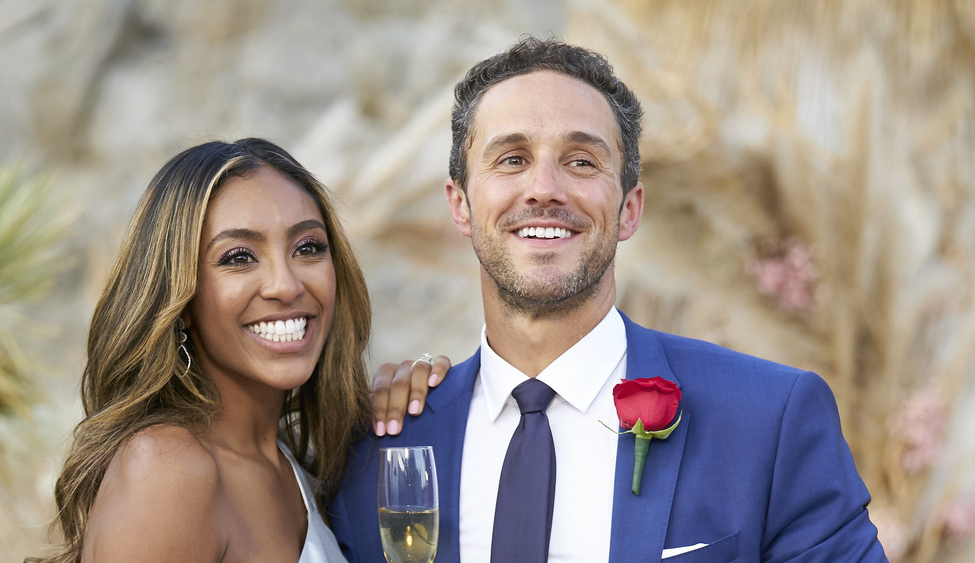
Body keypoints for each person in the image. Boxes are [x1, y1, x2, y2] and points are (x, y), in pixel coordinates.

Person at [328, 37, 887, 561]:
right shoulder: (376, 445)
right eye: (511, 159)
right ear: (460, 205)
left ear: (629, 209)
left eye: (582, 161)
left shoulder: (771, 420)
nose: (544, 187)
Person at [27, 138, 447, 563]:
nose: (285, 285)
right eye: (239, 257)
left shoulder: (293, 470)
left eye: (308, 248)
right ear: (181, 300)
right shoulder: (168, 469)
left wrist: (423, 398)